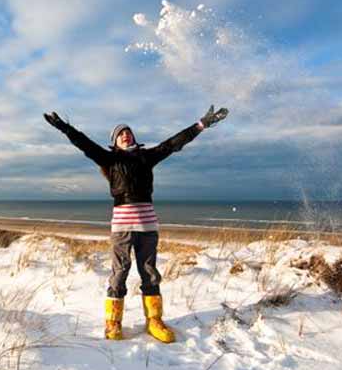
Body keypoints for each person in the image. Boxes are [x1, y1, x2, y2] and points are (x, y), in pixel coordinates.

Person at [43, 105, 229, 342]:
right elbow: (84, 143)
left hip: (148, 225)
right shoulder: (108, 159)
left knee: (149, 273)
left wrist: (201, 124)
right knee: (119, 272)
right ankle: (113, 322)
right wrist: (63, 126)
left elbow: (173, 144)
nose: (125, 135)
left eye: (128, 132)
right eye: (120, 133)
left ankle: (154, 320)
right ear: (114, 141)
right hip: (122, 226)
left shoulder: (146, 157)